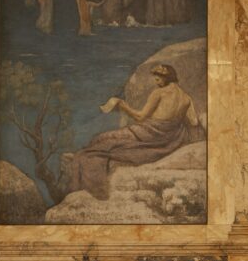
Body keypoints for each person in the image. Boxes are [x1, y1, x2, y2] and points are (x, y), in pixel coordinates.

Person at [66, 64, 203, 200]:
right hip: (169, 137)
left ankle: (90, 184)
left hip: (148, 132)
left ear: (167, 77)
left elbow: (140, 117)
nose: (156, 81)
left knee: (102, 138)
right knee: (106, 141)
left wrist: (122, 105)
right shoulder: (187, 98)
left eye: (158, 78)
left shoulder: (159, 93)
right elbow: (194, 122)